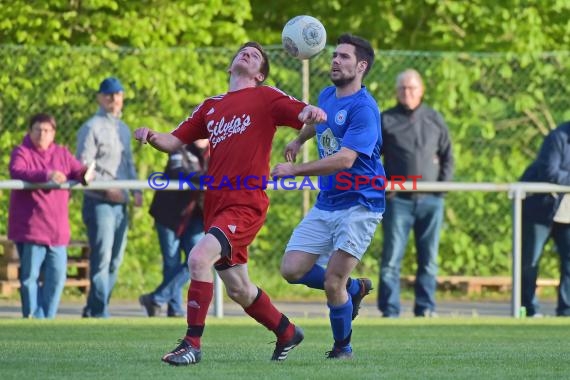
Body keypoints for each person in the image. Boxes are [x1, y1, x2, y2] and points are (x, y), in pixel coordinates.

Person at [134, 41, 327, 365]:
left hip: (245, 202)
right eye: (242, 51)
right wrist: (152, 135)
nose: (247, 53)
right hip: (216, 204)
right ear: (231, 66)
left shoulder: (267, 97)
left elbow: (304, 113)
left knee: (198, 258)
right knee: (239, 289)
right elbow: (173, 141)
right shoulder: (211, 106)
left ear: (261, 74)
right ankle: (287, 331)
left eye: (255, 55)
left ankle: (192, 344)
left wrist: (310, 112)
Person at [271, 34, 384, 359]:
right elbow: (319, 123)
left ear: (361, 66)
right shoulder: (326, 95)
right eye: (335, 56)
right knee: (291, 269)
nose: (336, 61)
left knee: (333, 280)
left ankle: (341, 348)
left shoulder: (365, 109)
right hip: (328, 202)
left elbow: (345, 159)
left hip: (360, 204)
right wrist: (298, 140)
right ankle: (354, 289)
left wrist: (295, 169)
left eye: (345, 57)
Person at [377, 69, 454, 318]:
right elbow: (372, 159)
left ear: (421, 90)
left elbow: (448, 156)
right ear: (396, 91)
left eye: (412, 88)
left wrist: (439, 190)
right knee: (391, 260)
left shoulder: (434, 118)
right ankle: (390, 311)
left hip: (431, 200)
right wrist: (384, 188)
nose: (407, 93)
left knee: (429, 260)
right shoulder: (386, 120)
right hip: (397, 200)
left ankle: (426, 308)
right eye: (402, 88)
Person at [8, 113, 93, 319]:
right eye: (38, 129)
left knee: (57, 277)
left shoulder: (62, 153)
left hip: (57, 231)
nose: (42, 134)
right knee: (30, 278)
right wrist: (47, 175)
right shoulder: (22, 152)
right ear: (30, 131)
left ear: (53, 133)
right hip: (31, 230)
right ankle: (31, 317)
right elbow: (17, 171)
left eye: (47, 130)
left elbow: (77, 170)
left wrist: (86, 174)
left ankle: (47, 318)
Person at [76, 77, 143, 318]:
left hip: (121, 203)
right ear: (99, 98)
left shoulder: (123, 128)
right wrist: (106, 189)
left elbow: (129, 164)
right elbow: (83, 168)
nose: (114, 99)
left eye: (118, 95)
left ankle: (94, 307)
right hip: (99, 202)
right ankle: (99, 311)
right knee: (102, 258)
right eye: (109, 95)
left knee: (115, 261)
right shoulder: (91, 127)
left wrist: (136, 189)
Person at [139, 140, 208, 317]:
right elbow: (178, 171)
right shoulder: (179, 147)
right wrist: (204, 178)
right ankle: (175, 309)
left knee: (199, 259)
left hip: (195, 215)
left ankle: (156, 298)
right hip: (169, 213)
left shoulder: (217, 149)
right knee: (171, 261)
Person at [520, 120, 570, 317]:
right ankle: (528, 308)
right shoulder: (558, 137)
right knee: (530, 260)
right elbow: (550, 171)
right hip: (541, 210)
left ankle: (566, 310)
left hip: (567, 214)